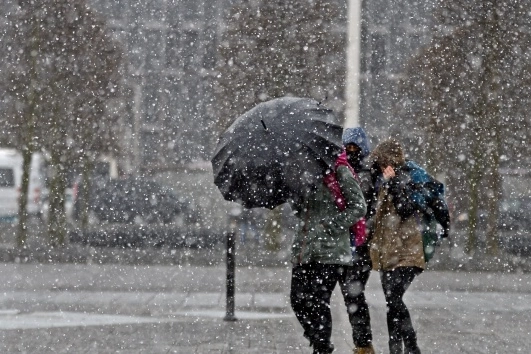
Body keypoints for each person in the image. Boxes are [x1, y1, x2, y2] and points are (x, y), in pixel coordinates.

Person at [368, 138, 449, 354]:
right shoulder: (382, 179)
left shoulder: (407, 177)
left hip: (410, 250)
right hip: (387, 250)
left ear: (390, 160)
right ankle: (396, 349)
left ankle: (411, 347)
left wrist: (393, 184)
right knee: (391, 302)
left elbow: (406, 209)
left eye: (381, 162)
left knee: (394, 297)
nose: (378, 167)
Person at [289, 151, 367, 354]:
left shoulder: (339, 171)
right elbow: (301, 211)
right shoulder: (303, 173)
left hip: (330, 251)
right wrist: (296, 195)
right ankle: (319, 341)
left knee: (318, 301)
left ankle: (321, 347)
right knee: (297, 300)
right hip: (305, 249)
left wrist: (331, 226)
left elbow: (359, 206)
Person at [339, 127, 377, 354]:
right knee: (351, 294)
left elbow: (362, 205)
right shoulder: (344, 170)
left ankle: (363, 343)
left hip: (360, 242)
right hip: (348, 242)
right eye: (348, 147)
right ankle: (362, 343)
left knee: (353, 294)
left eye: (355, 147)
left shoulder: (366, 173)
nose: (352, 151)